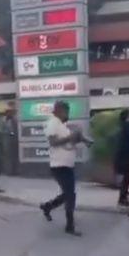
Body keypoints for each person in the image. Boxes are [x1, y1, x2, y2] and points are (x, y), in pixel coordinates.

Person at [39, 100, 86, 236]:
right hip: (59, 165)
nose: (68, 114)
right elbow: (53, 142)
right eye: (67, 111)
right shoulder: (53, 122)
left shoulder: (61, 125)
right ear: (60, 110)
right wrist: (71, 137)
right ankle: (69, 226)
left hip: (66, 164)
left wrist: (80, 139)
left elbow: (67, 141)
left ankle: (47, 206)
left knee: (67, 194)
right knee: (70, 195)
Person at [114, 109, 129, 207]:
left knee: (125, 177)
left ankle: (122, 198)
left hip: (120, 153)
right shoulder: (128, 125)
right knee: (127, 177)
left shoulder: (120, 126)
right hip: (126, 154)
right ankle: (123, 198)